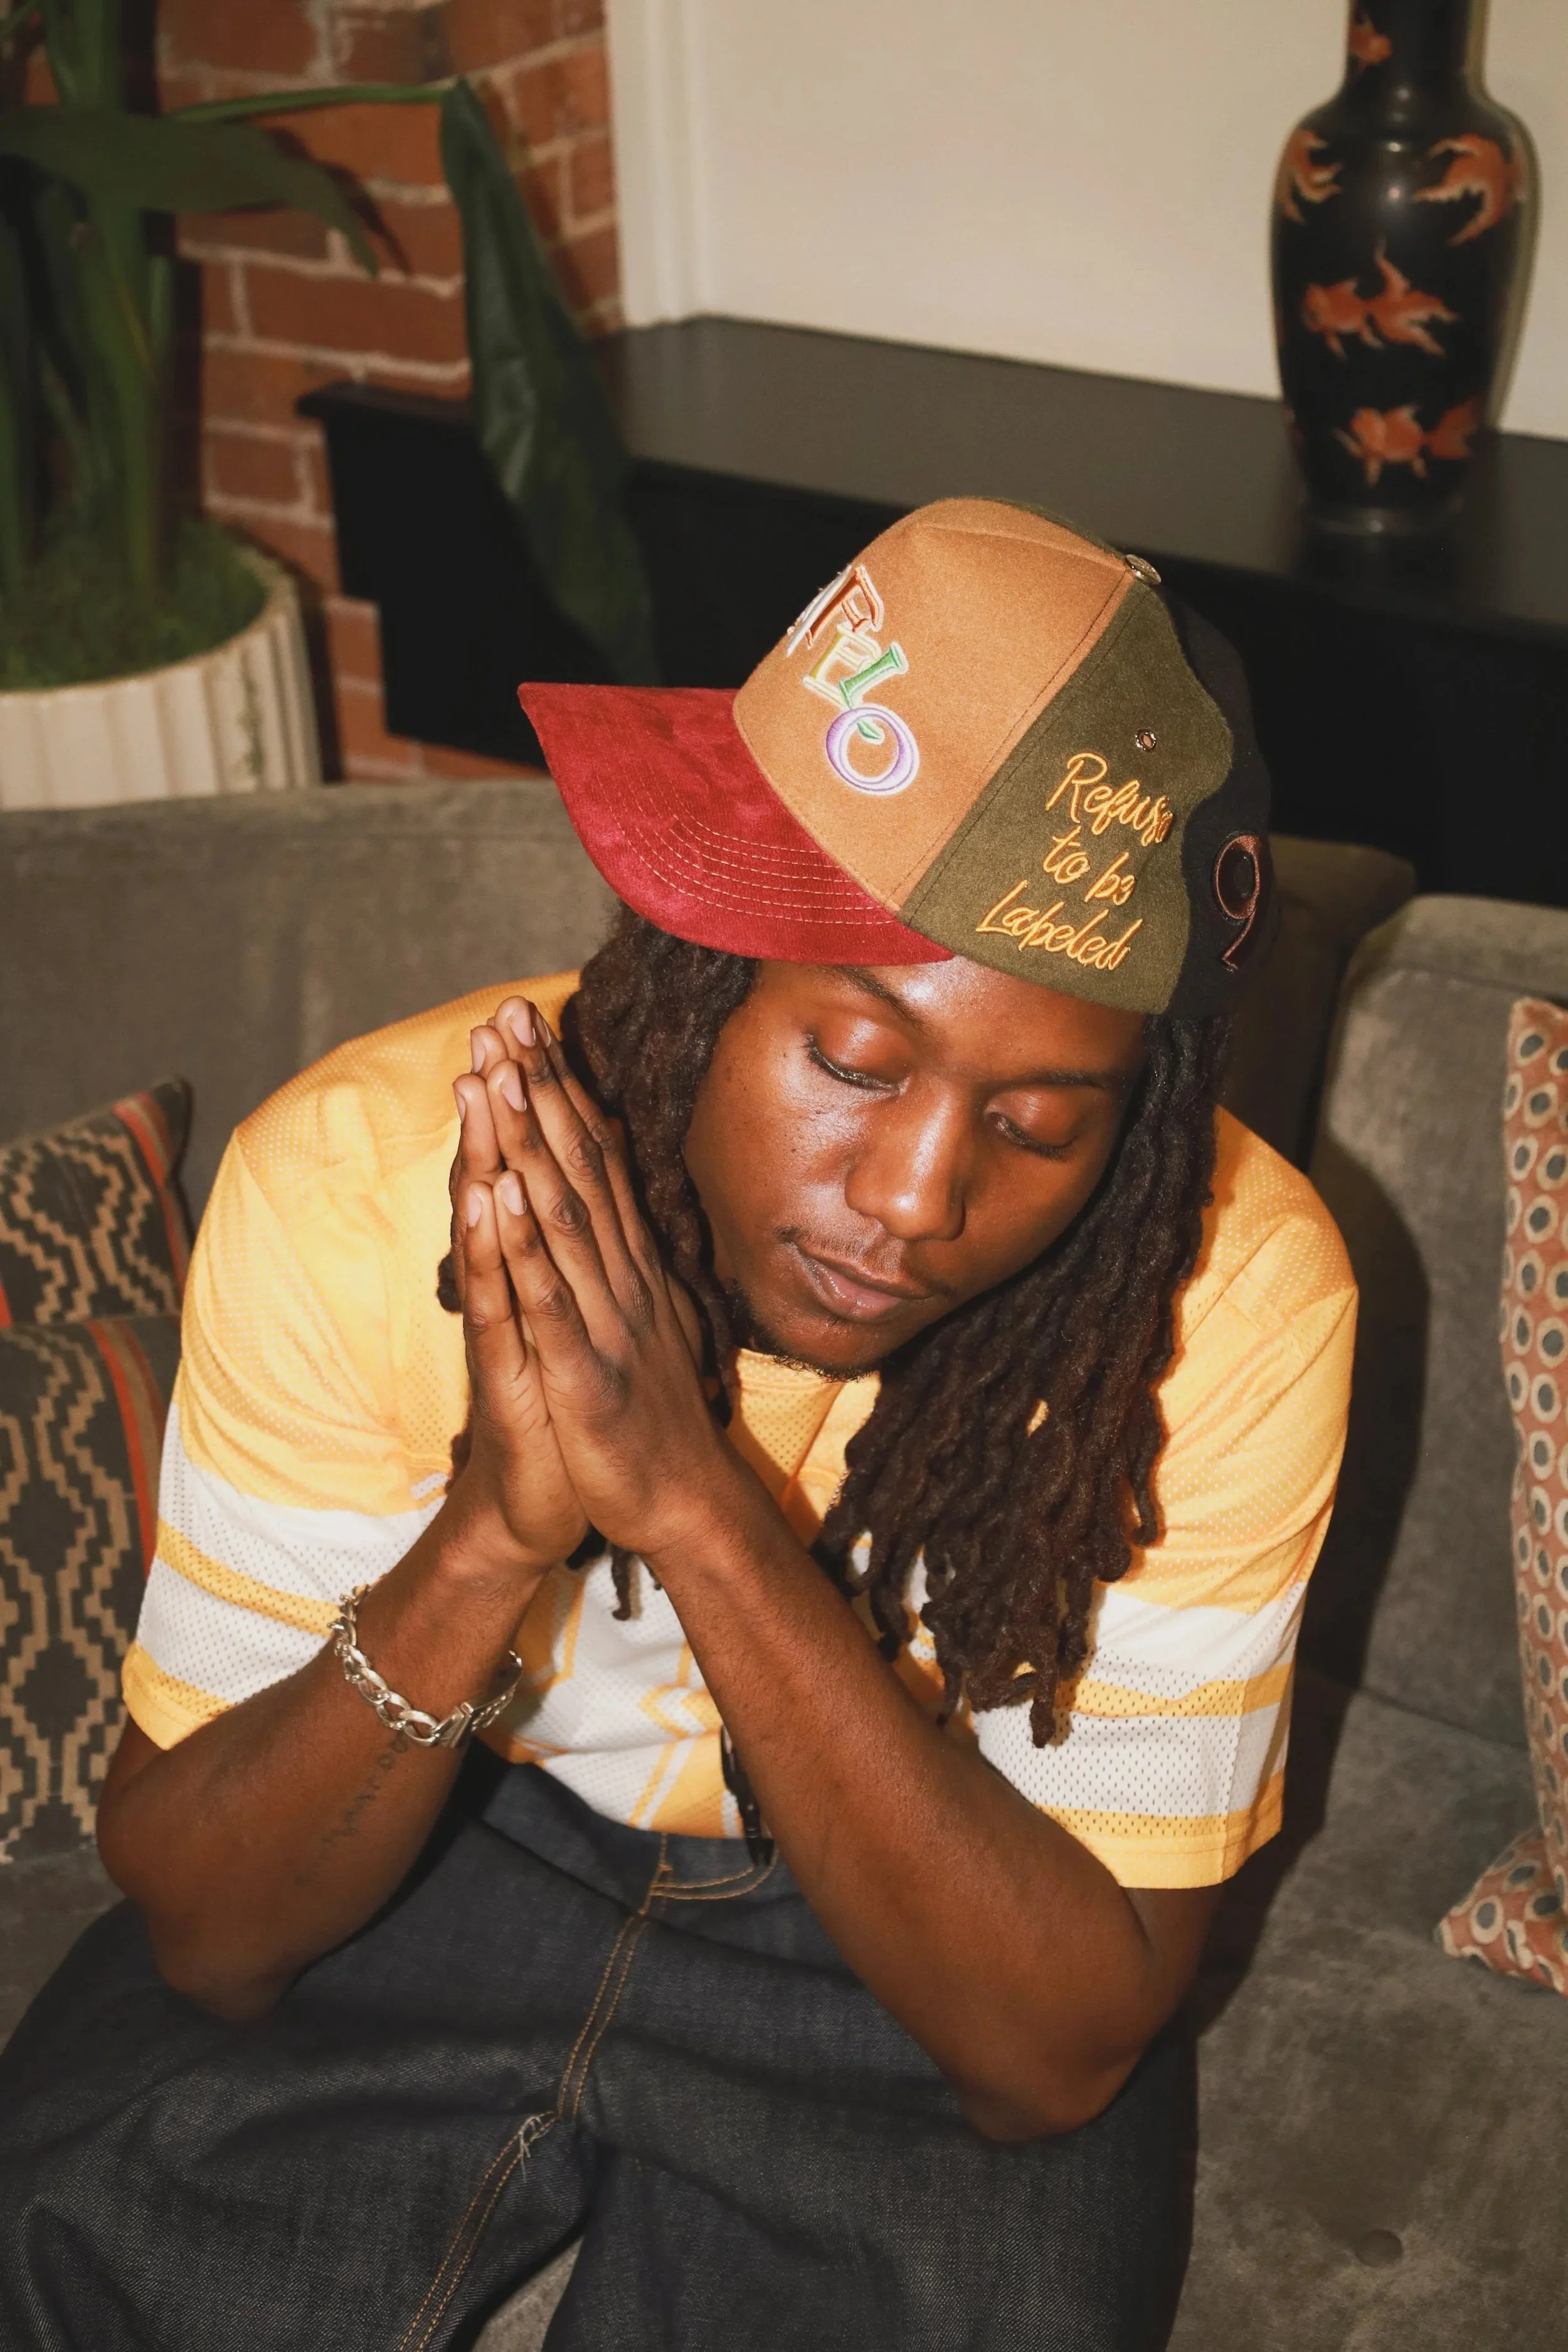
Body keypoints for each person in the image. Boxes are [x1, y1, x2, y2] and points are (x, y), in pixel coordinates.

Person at [0, 500, 1355, 2351]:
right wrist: (494, 1528)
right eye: (854, 1063)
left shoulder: (1235, 1300)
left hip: (912, 1881)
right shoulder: (361, 1178)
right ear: (701, 966)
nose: (915, 1195)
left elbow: (1046, 2059)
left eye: (1043, 1126)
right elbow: (209, 1937)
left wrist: (698, 1509)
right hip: (455, 1818)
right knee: (69, 2218)